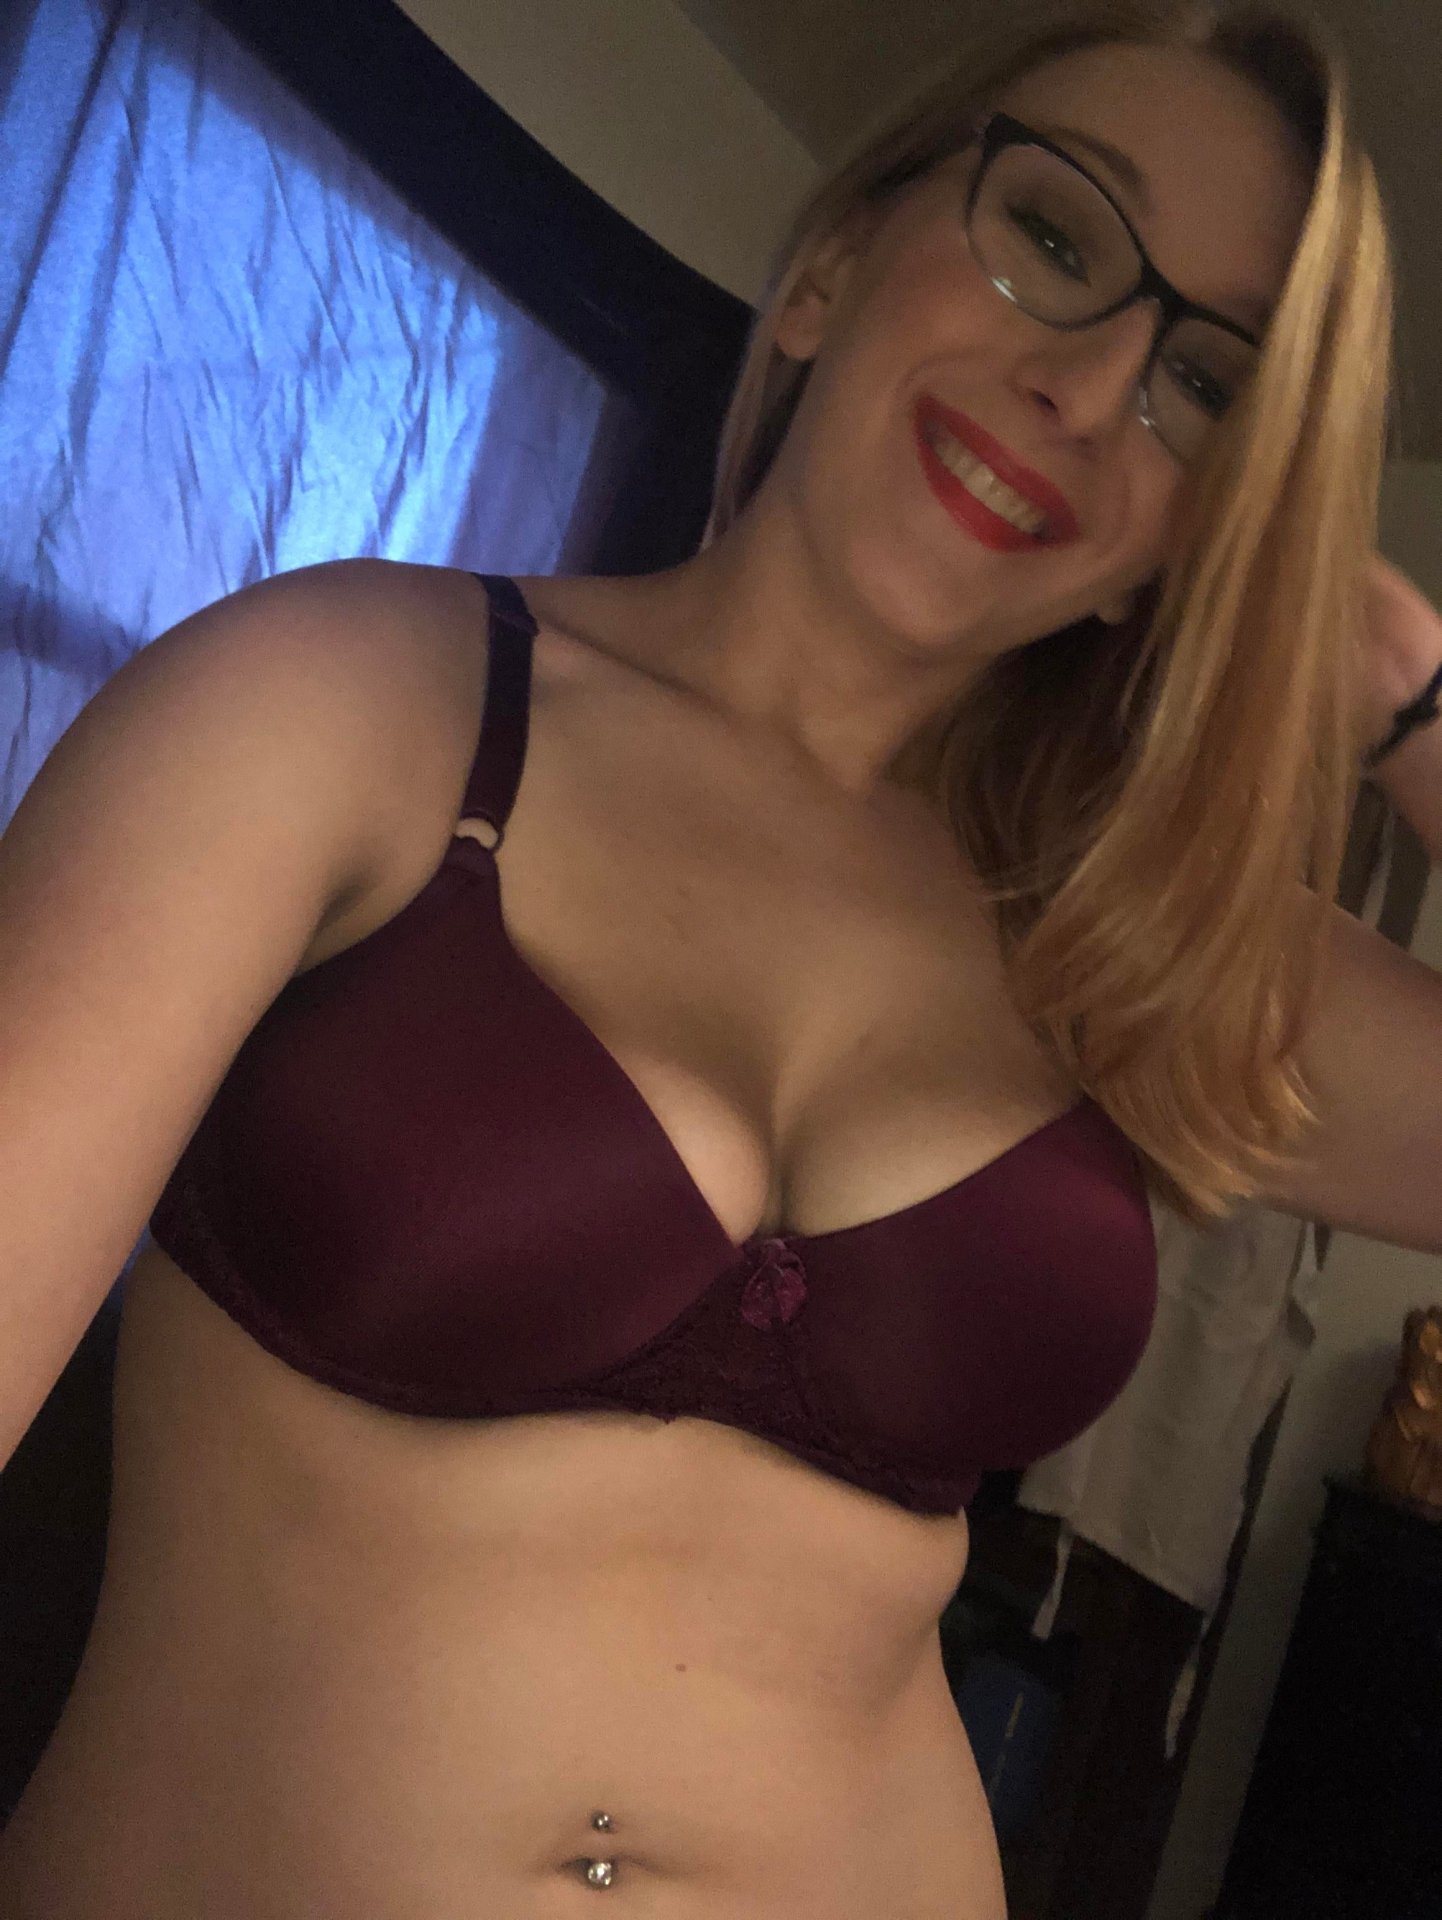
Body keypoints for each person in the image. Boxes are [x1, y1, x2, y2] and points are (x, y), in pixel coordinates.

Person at [2, 2, 1441, 1914]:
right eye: (1055, 234)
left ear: (1194, 542)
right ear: (829, 266)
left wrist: (1410, 696)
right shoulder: (346, 702)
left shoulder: (1124, 939)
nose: (1089, 390)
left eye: (1204, 386)